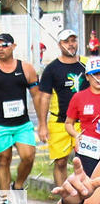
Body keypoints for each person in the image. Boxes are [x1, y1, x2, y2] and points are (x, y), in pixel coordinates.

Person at [0, 33, 42, 190]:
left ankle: (18, 185)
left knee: (28, 156)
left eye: (4, 45)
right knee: (4, 160)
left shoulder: (26, 68)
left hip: (22, 124)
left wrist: (42, 123)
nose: (1, 49)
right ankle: (4, 198)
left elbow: (37, 95)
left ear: (13, 46)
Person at [38, 29, 88, 186]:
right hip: (60, 121)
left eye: (73, 41)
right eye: (66, 41)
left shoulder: (87, 64)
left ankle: (86, 196)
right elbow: (44, 97)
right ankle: (64, 196)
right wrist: (42, 125)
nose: (71, 44)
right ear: (59, 44)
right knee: (60, 162)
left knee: (87, 161)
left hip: (85, 122)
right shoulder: (51, 69)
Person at [63, 56, 100, 204]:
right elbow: (68, 123)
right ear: (87, 77)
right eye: (94, 75)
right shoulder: (79, 97)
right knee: (93, 192)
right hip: (88, 150)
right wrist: (76, 135)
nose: (98, 78)